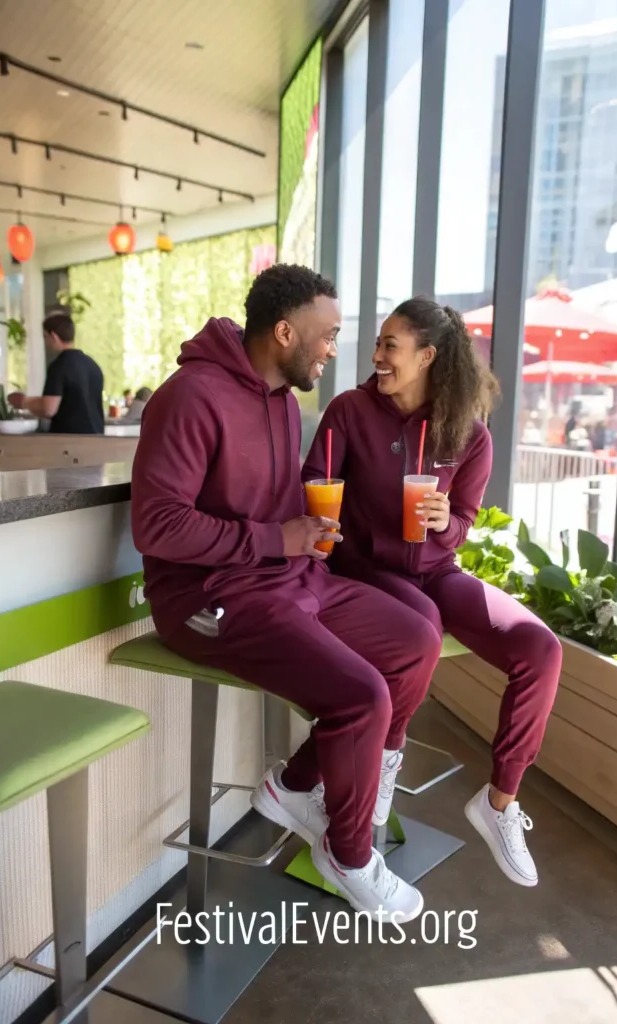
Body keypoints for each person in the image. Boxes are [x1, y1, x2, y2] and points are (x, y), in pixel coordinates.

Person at [130, 265, 441, 922]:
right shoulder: (188, 397)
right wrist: (278, 538)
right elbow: (156, 524)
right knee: (362, 696)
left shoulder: (283, 402)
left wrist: (312, 529)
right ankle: (348, 853)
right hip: (207, 601)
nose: (334, 348)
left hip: (289, 578)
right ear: (283, 331)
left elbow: (265, 507)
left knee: (415, 641)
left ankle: (295, 786)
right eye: (327, 335)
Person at [302, 296, 563, 888]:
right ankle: (382, 773)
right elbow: (312, 483)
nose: (377, 356)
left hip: (438, 572)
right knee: (418, 619)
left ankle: (499, 805)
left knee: (541, 650)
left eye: (390, 346)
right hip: (366, 570)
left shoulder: (469, 435)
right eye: (378, 344)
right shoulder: (349, 410)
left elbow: (464, 523)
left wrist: (445, 520)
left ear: (427, 357)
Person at [8, 313, 104, 434]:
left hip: (68, 441)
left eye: (45, 336)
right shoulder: (92, 365)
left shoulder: (60, 365)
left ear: (53, 336)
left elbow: (49, 409)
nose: (46, 341)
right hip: (97, 438)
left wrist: (23, 402)